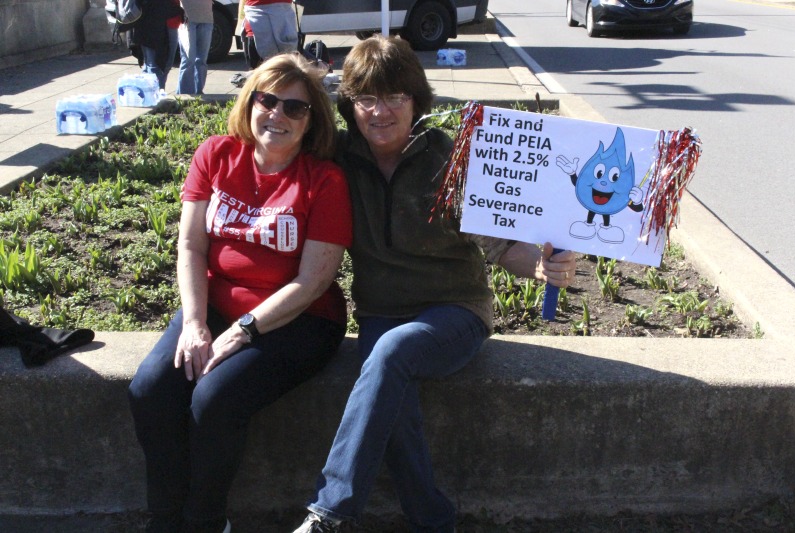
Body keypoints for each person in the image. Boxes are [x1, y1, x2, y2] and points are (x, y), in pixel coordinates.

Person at [292, 35, 578, 533]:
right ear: (350, 104)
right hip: (382, 314)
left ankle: (332, 513)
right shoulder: (337, 158)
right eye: (366, 98)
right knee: (391, 389)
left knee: (389, 355)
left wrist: (541, 265)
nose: (380, 111)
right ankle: (433, 519)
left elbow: (503, 245)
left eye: (395, 97)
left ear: (417, 100)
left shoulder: (452, 161)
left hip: (454, 312)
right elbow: (278, 132)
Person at [128, 52, 352, 533]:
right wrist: (194, 323)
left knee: (214, 398)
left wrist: (245, 330)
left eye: (295, 108)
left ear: (312, 120)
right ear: (249, 103)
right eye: (267, 100)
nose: (278, 114)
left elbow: (312, 281)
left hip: (299, 319)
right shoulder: (216, 154)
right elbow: (190, 244)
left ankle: (206, 522)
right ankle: (165, 519)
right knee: (150, 389)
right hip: (214, 304)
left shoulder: (323, 180)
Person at [130, 0, 184, 91]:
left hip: (167, 21)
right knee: (155, 66)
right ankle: (156, 97)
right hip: (152, 24)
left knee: (160, 65)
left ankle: (152, 94)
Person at [176, 0, 214, 95]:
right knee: (189, 60)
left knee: (202, 60)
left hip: (206, 18)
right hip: (187, 20)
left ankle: (198, 92)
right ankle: (184, 95)